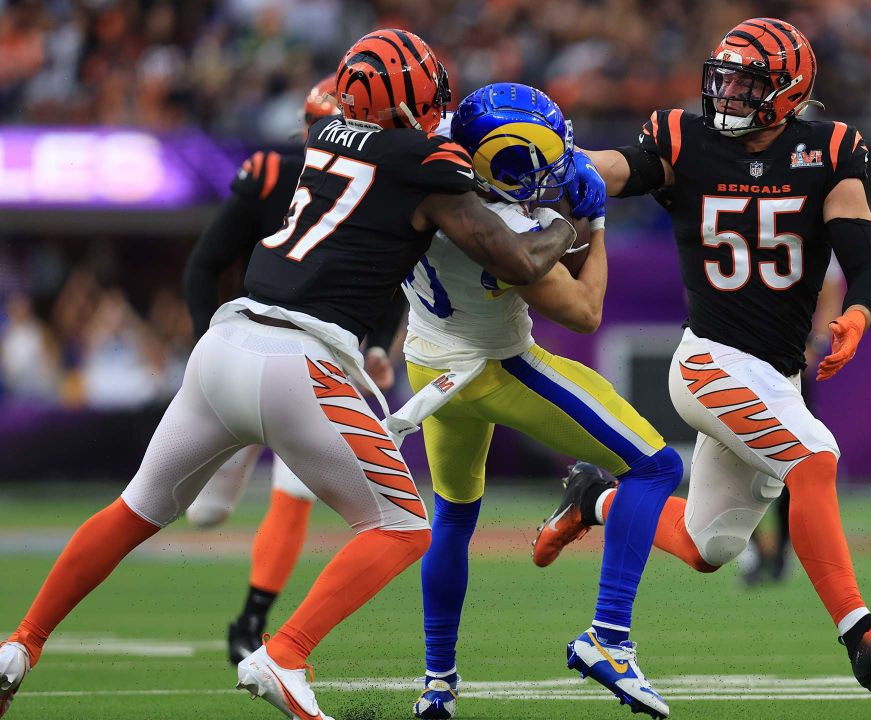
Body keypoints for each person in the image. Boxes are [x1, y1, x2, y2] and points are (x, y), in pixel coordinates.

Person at [0, 29, 577, 720]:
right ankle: (286, 652)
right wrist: (570, 223)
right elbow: (516, 260)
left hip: (224, 347)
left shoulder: (327, 133)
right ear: (409, 101)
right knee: (401, 526)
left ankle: (19, 645)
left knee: (135, 510)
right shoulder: (421, 156)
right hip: (300, 360)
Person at [531, 18, 871, 692]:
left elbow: (866, 263)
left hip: (774, 373)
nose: (730, 95)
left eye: (748, 84)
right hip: (711, 359)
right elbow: (616, 169)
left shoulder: (830, 150)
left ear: (789, 89)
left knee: (707, 546)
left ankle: (595, 499)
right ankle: (860, 634)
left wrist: (859, 314)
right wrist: (558, 162)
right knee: (814, 456)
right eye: (725, 80)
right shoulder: (684, 139)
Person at [399, 83, 680, 720]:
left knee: (452, 517)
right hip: (497, 368)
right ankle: (609, 637)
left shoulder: (420, 175)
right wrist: (595, 222)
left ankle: (437, 684)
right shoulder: (508, 231)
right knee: (657, 465)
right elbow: (584, 311)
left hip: (429, 367)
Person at [181, 73, 369, 666]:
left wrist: (380, 345)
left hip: (314, 357)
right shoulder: (269, 171)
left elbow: (391, 285)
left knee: (296, 492)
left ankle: (255, 621)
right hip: (242, 349)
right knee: (203, 511)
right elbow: (204, 263)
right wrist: (203, 348)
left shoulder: (378, 184)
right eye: (323, 130)